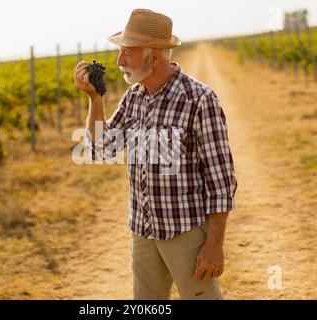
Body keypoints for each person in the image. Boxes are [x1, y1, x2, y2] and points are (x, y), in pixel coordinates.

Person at [74, 8, 238, 300]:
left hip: (185, 230)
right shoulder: (135, 96)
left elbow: (221, 181)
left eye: (127, 52)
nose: (119, 61)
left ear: (153, 57)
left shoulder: (199, 100)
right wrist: (95, 101)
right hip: (143, 230)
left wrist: (214, 245)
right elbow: (101, 150)